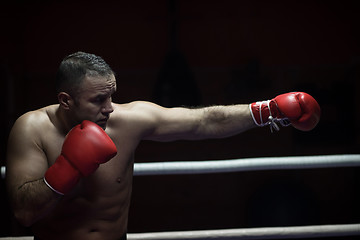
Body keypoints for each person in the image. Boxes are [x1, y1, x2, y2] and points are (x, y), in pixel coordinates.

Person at [6, 52, 321, 240]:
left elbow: (204, 121)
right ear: (65, 100)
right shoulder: (31, 129)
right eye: (99, 100)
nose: (110, 108)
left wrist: (268, 110)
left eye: (112, 96)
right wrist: (66, 169)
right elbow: (24, 213)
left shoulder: (127, 120)